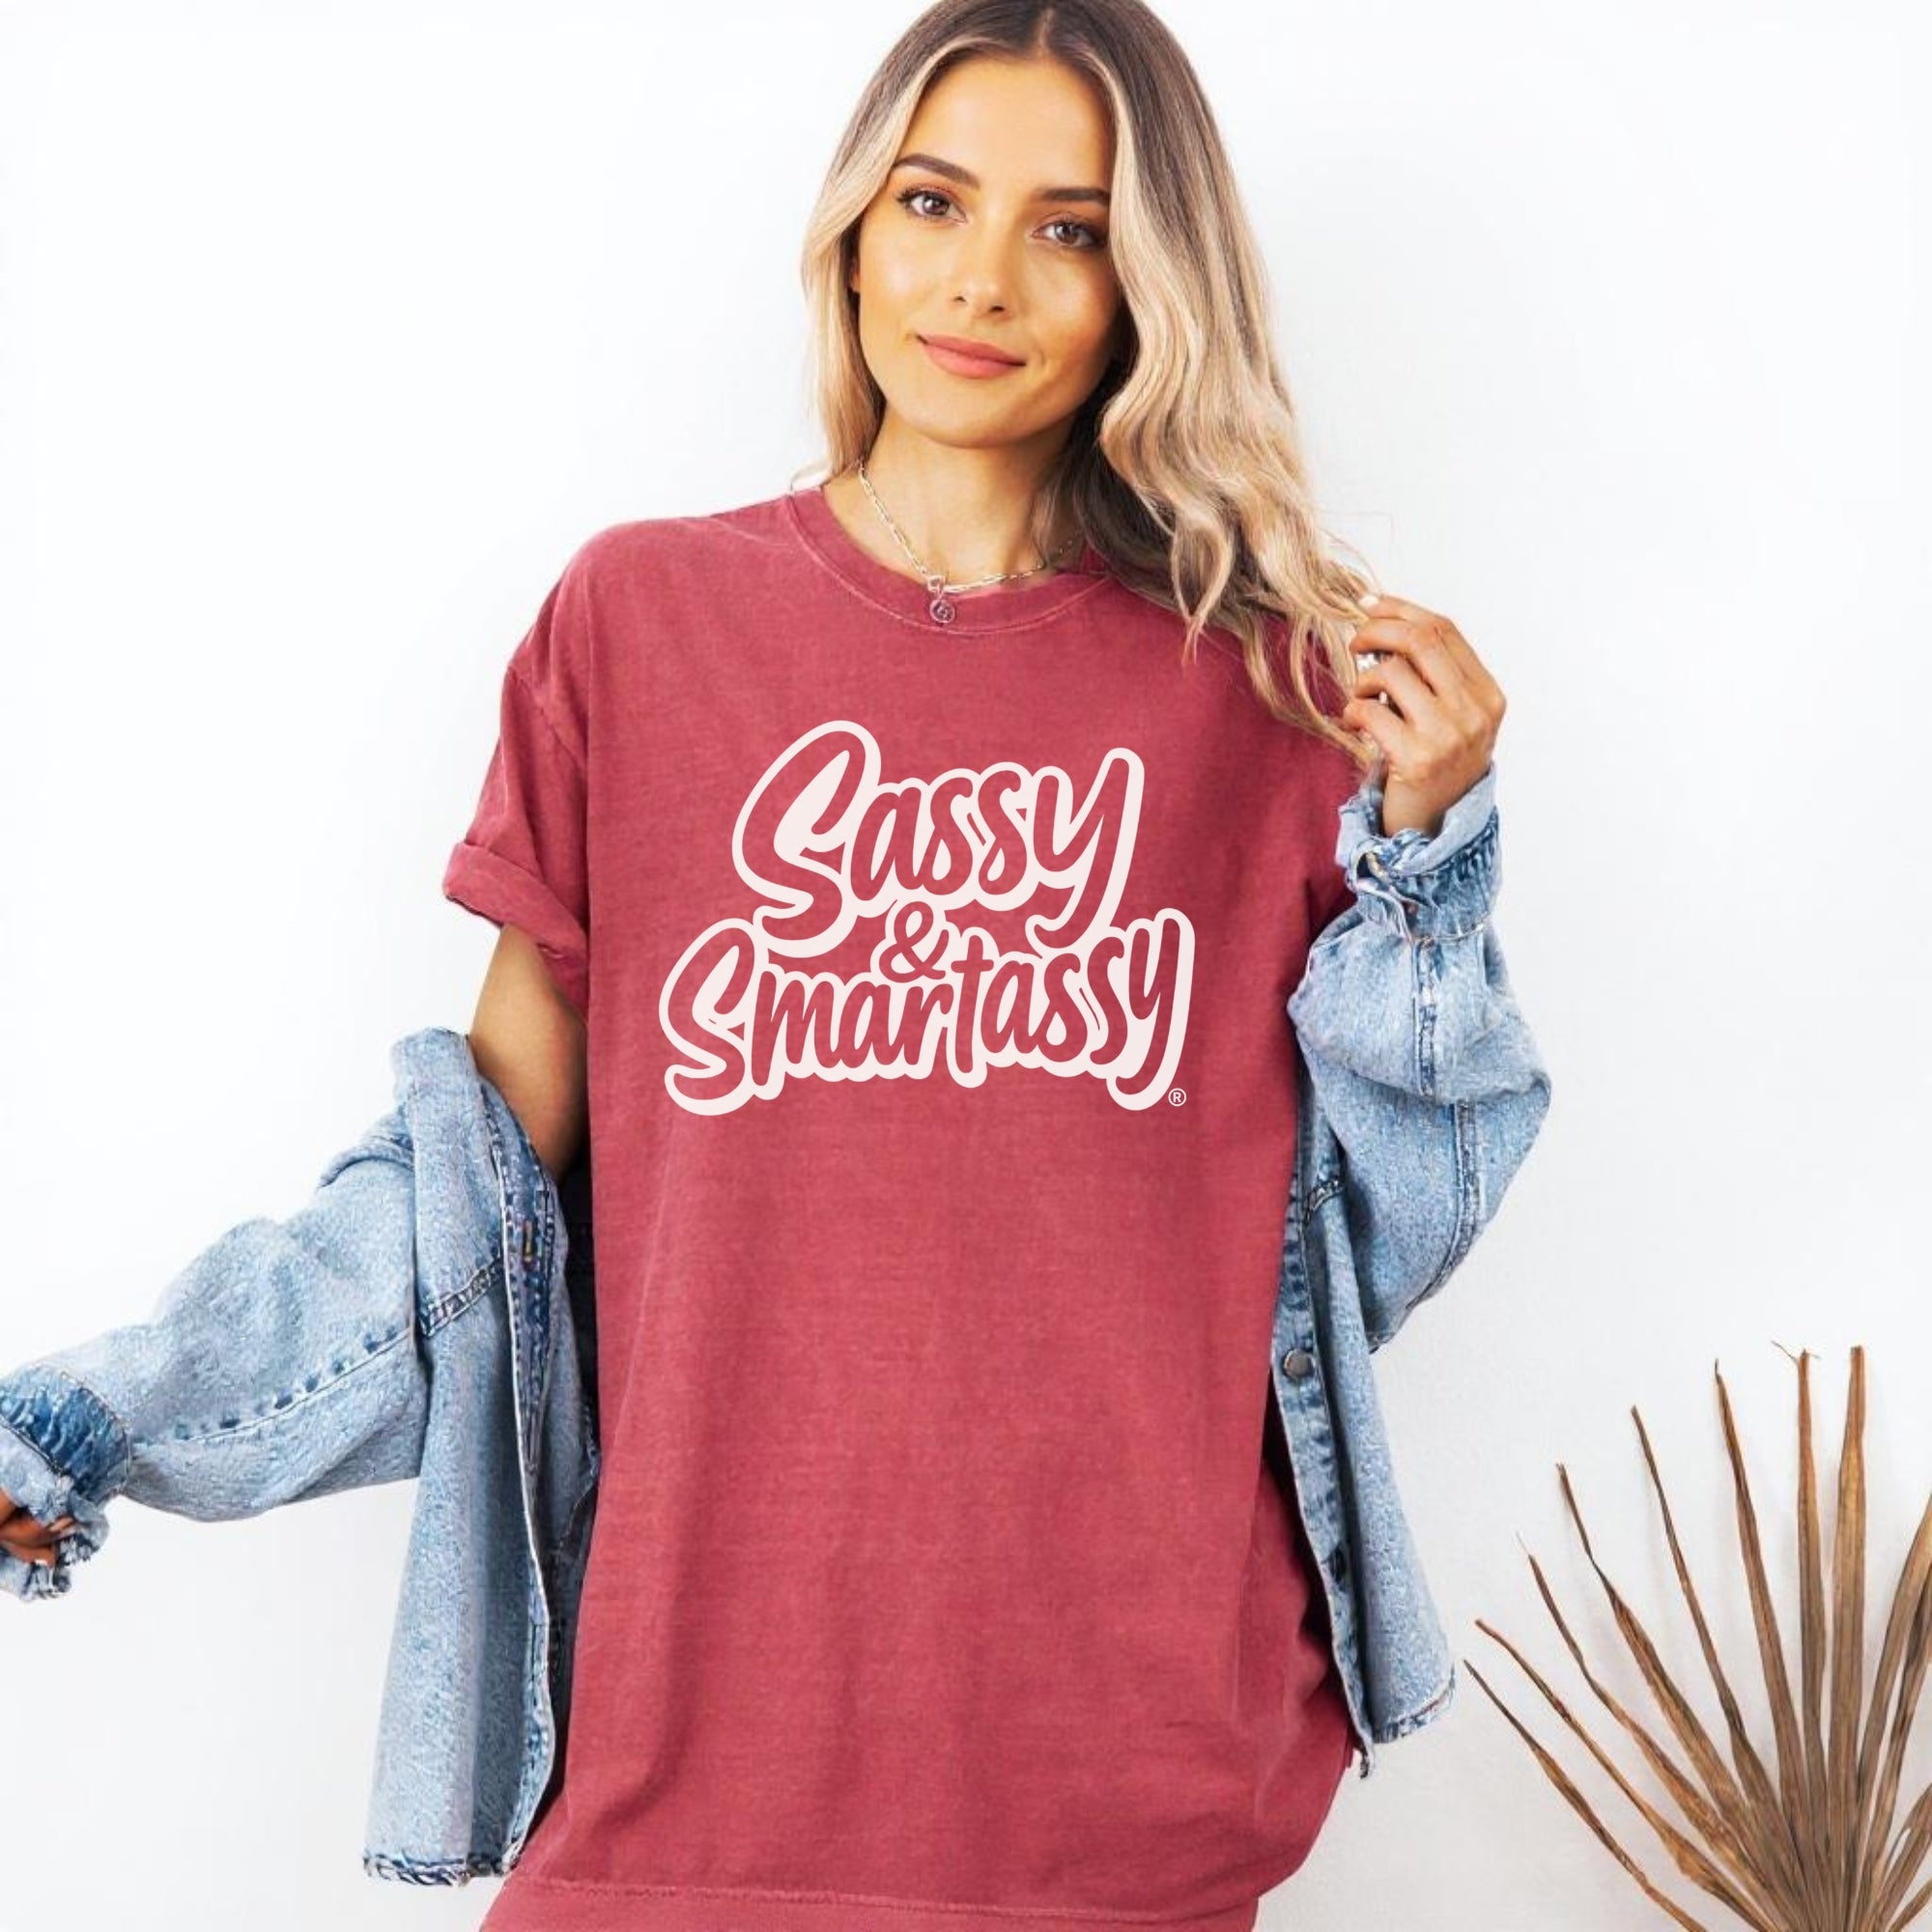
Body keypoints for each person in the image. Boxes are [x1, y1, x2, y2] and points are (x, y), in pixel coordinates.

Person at [5, 2, 1529, 1927]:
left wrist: (1427, 861)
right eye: (932, 199)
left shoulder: (1275, 693)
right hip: (677, 1780)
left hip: (1119, 1792)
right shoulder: (641, 626)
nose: (978, 278)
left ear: (1148, 285)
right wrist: (105, 1407)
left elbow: (1381, 1231)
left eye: (1067, 227)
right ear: (851, 230)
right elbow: (465, 1211)